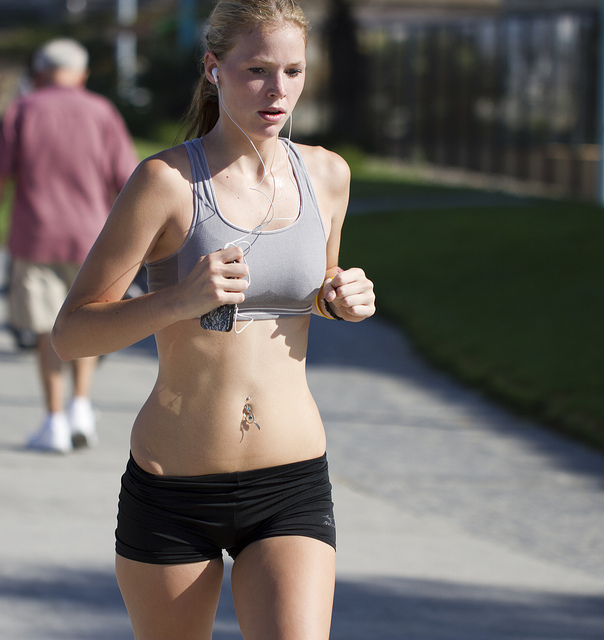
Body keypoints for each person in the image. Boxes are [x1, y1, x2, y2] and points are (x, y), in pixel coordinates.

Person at [52, 1, 375, 637]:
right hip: (174, 490)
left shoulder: (328, 176)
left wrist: (339, 299)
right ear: (213, 68)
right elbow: (72, 332)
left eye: (293, 70)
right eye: (256, 70)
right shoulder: (166, 183)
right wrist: (178, 299)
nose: (277, 90)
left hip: (291, 483)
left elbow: (313, 289)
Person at [0, 38, 138, 453]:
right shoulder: (102, 112)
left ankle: (55, 419)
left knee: (47, 330)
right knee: (87, 324)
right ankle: (81, 405)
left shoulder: (21, 111)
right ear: (81, 74)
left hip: (36, 236)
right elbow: (127, 178)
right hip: (93, 239)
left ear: (40, 72)